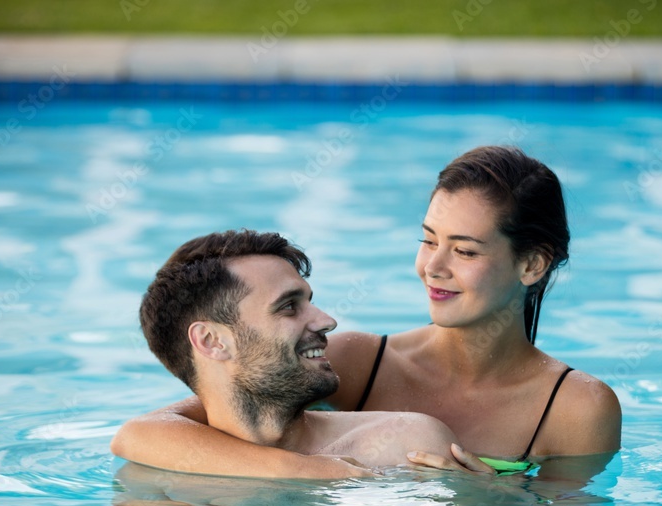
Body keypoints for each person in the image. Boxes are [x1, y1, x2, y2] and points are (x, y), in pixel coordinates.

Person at [112, 146, 621, 475]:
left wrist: (490, 502)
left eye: (464, 251)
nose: (432, 267)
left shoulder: (575, 407)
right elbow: (149, 432)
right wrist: (309, 474)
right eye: (428, 241)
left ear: (531, 264)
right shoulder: (361, 361)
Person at [111, 229, 461, 478]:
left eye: (309, 301)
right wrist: (302, 472)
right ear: (212, 341)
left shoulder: (406, 445)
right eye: (288, 307)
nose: (327, 321)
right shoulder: (157, 473)